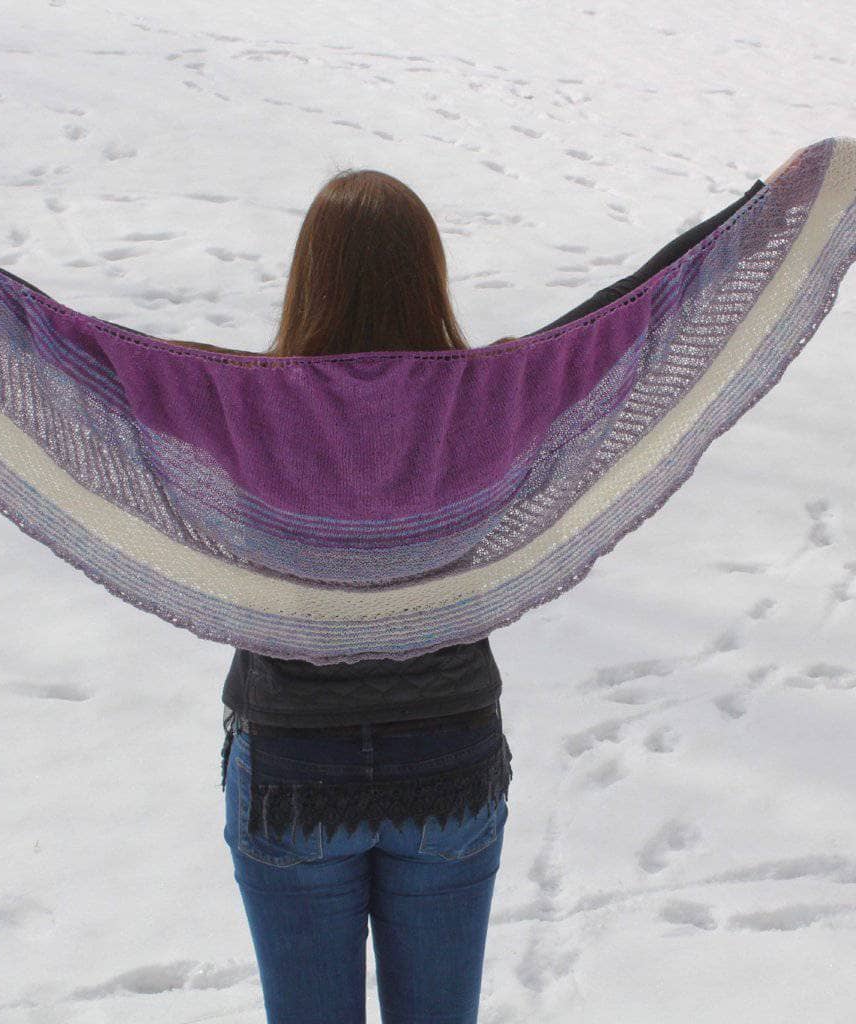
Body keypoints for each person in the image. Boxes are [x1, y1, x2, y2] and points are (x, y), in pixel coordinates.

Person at [220, 161, 768, 1024]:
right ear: (426, 274)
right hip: (449, 771)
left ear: (307, 277)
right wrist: (765, 209)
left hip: (294, 775)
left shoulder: (239, 407)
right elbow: (635, 310)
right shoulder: (486, 401)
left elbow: (72, 351)